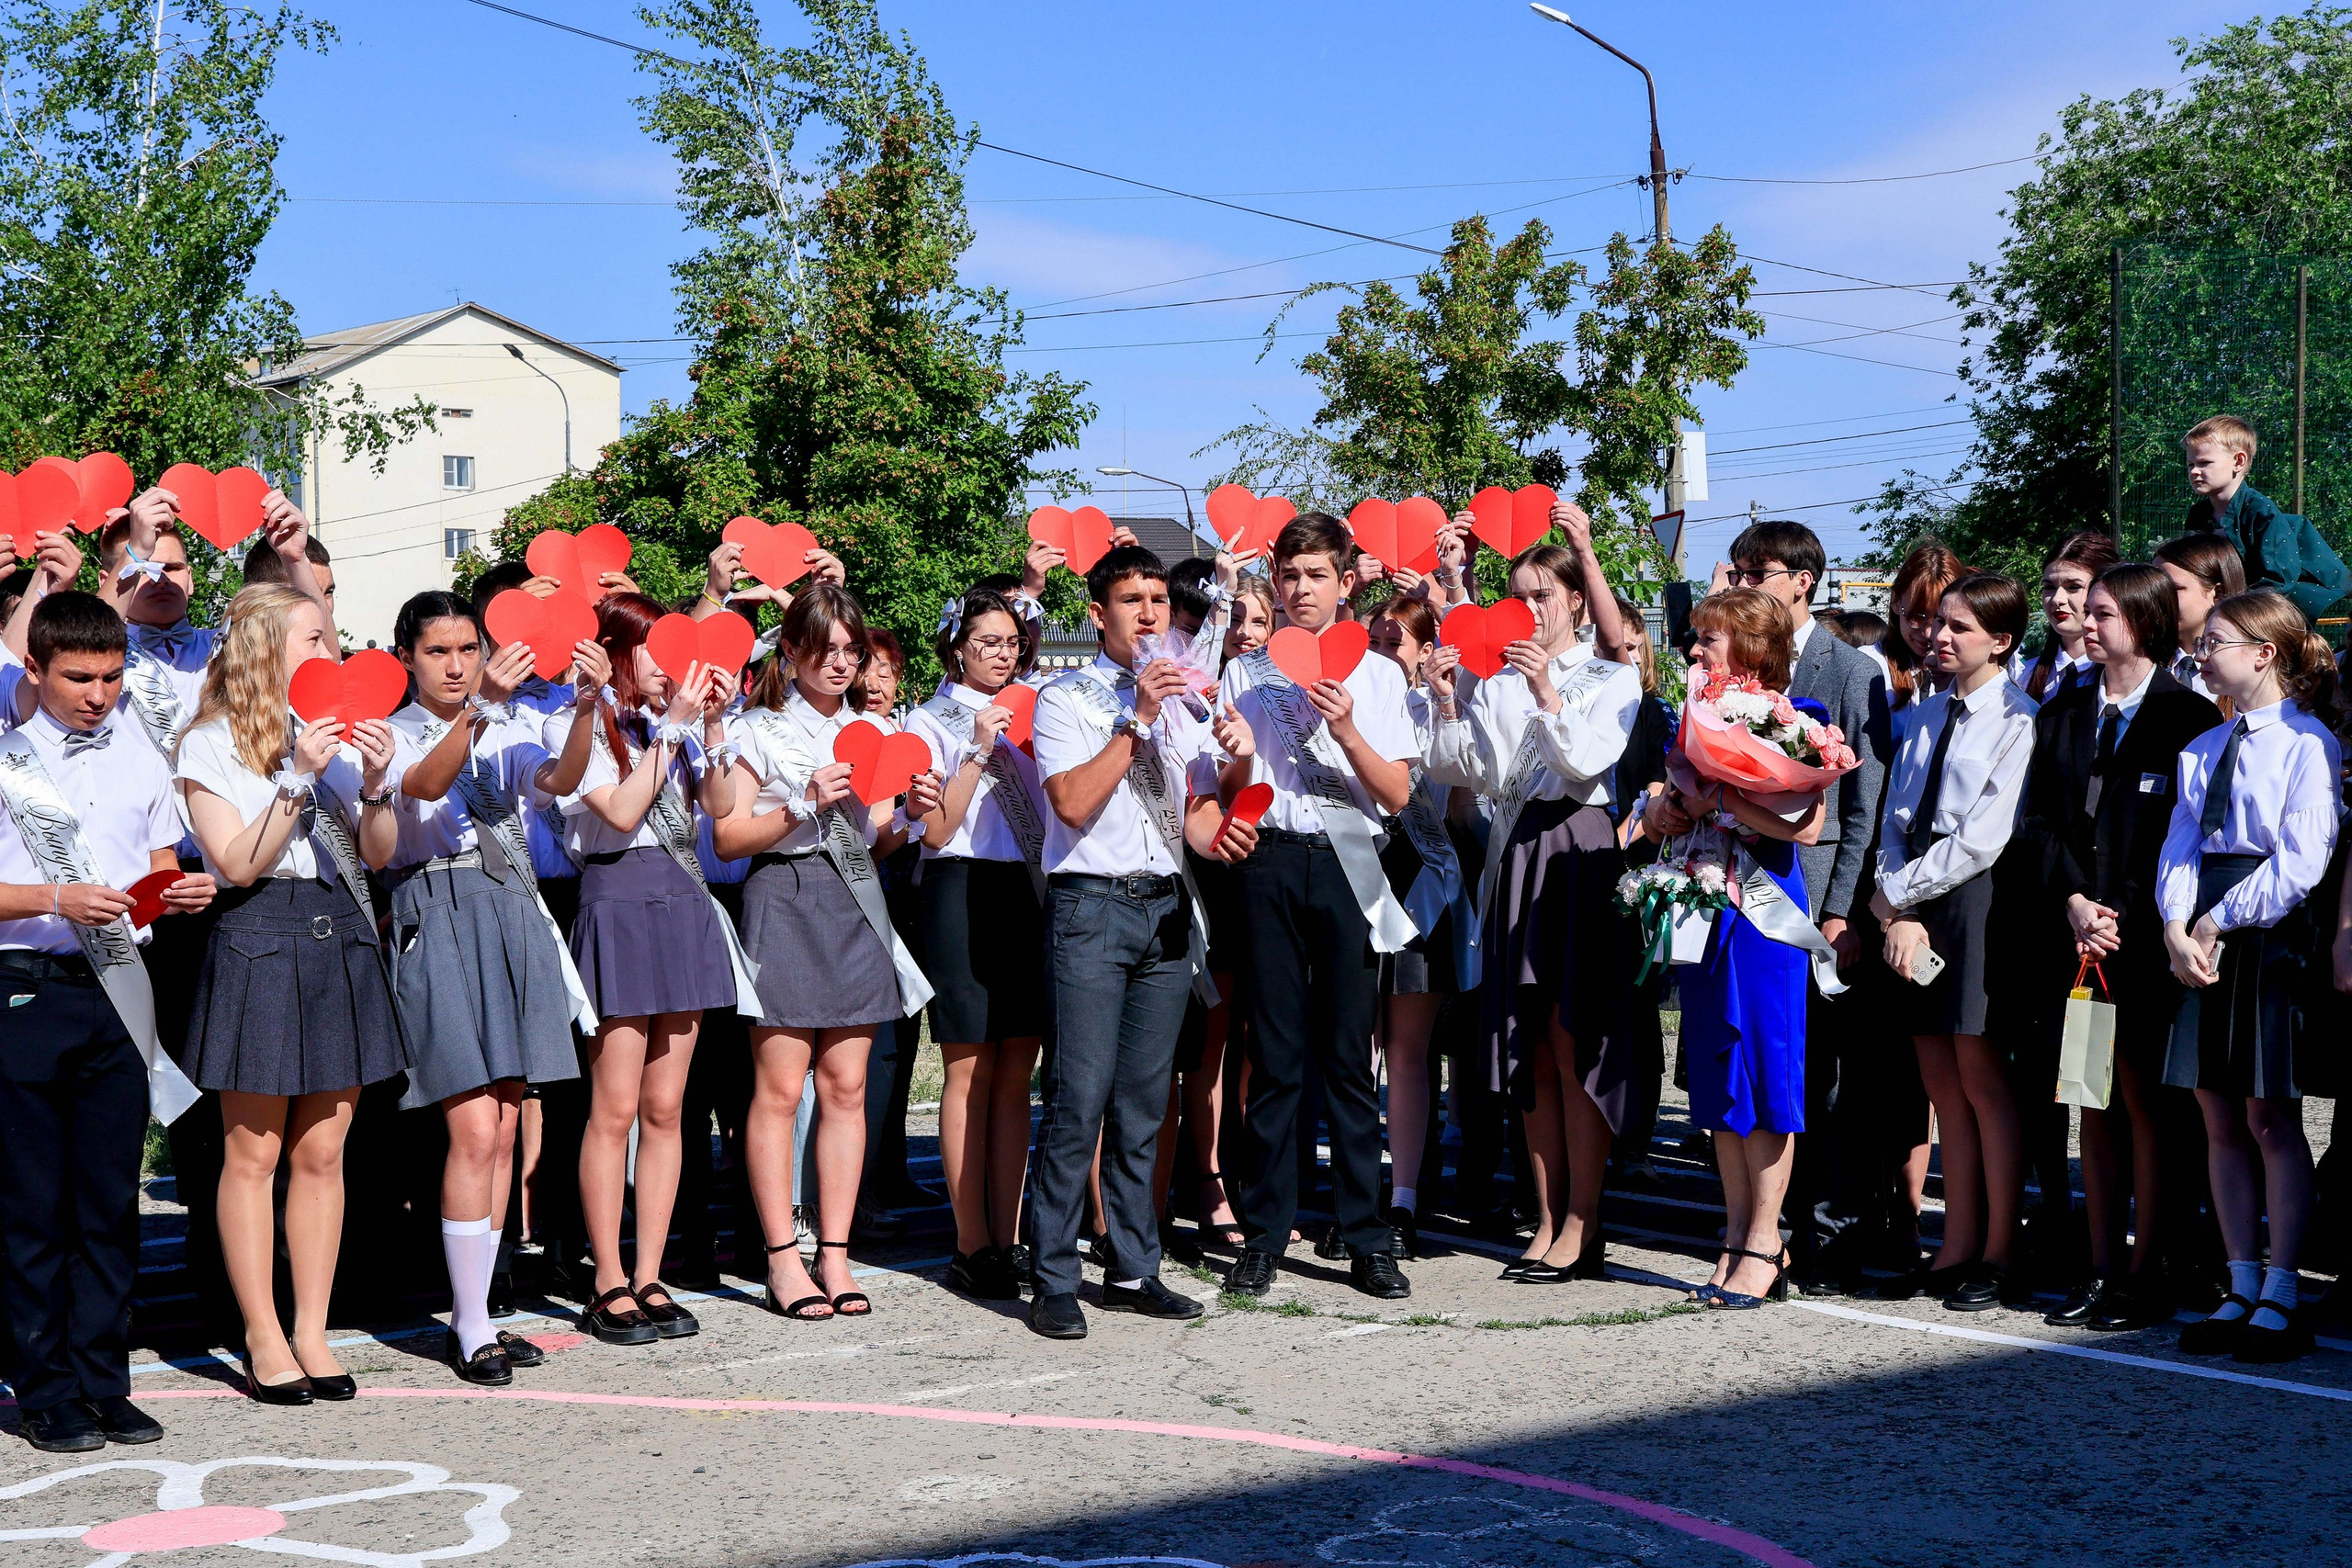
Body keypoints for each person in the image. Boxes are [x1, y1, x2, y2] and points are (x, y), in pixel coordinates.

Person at [173, 584, 405, 1402]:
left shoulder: (336, 740)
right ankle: (263, 1333)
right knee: (254, 1153)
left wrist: (375, 781)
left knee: (323, 1150)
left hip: (337, 931)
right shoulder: (209, 742)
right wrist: (297, 779)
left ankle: (312, 1328)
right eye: (315, 637)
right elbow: (235, 864)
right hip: (258, 938)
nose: (331, 653)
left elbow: (377, 854)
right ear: (268, 646)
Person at [0, 592, 214, 1452]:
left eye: (113, 676)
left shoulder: (140, 754)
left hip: (124, 983)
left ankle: (104, 1380)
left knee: (107, 1197)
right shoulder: (9, 762)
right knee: (31, 1202)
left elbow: (160, 861)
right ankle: (44, 1386)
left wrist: (182, 887)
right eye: (80, 677)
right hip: (28, 983)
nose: (98, 693)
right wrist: (55, 896)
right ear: (37, 671)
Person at [1026, 544, 1257, 1339]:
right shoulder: (1067, 697)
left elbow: (1190, 816)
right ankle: (1052, 1271)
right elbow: (1069, 803)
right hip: (1090, 907)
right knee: (1078, 1098)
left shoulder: (1185, 699)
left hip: (1163, 908)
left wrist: (1232, 795)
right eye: (1134, 600)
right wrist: (1140, 721)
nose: (1152, 613)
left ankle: (1133, 1266)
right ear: (1100, 614)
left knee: (1144, 1103)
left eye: (1159, 599)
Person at [384, 591, 611, 1383]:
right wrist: (478, 710)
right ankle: (469, 1322)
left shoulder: (505, 722)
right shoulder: (400, 730)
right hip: (438, 910)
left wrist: (585, 707)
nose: (455, 664)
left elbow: (559, 776)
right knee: (475, 1131)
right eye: (439, 650)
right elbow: (419, 788)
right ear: (407, 656)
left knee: (510, 1127)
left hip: (511, 912)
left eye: (468, 649)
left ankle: (483, 1309)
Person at [1218, 513, 1436, 1302]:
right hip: (1271, 862)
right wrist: (1237, 760)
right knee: (1273, 1058)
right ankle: (1265, 1232)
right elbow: (1232, 787)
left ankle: (1366, 1236)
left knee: (1349, 1057)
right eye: (1288, 576)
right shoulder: (1246, 672)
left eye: (1315, 576)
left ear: (1347, 582)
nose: (1299, 589)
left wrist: (1346, 729)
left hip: (1350, 863)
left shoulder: (1378, 675)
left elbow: (1400, 792)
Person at [1425, 513, 1640, 1285]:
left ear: (1578, 602)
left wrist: (1546, 687)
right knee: (1530, 1049)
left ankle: (1586, 1220)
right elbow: (1472, 771)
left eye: (1543, 594)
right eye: (1518, 595)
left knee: (1572, 1040)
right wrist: (1450, 701)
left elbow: (1585, 764)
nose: (1530, 609)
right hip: (1516, 852)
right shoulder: (1500, 676)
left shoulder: (1612, 676)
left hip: (1578, 851)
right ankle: (1546, 1216)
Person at [716, 583, 935, 1322]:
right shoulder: (759, 729)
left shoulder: (873, 730)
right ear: (791, 651)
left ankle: (835, 1253)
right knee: (779, 1092)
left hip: (853, 902)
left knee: (847, 1085)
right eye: (826, 648)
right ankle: (782, 1257)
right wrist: (802, 803)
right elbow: (728, 837)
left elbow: (874, 837)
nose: (841, 663)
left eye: (852, 649)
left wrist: (909, 811)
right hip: (783, 896)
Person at [2011, 564, 2221, 1331]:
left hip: (2144, 944)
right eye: (2086, 611)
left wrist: (2121, 914)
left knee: (2146, 1107)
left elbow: (2181, 839)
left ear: (2146, 620)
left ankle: (2149, 1269)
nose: (2085, 621)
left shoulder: (2189, 718)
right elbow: (2037, 824)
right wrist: (2073, 902)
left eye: (2104, 611)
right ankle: (2102, 1270)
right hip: (2075, 942)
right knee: (2089, 1100)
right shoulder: (2061, 711)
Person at [544, 592, 755, 1346]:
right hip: (617, 900)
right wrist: (670, 734)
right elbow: (623, 812)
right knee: (616, 1107)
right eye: (656, 650)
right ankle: (605, 1277)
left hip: (682, 902)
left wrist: (714, 726)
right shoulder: (581, 725)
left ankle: (651, 1269)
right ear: (623, 651)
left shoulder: (674, 727)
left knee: (670, 1108)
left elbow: (723, 807)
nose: (672, 666)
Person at [2161, 589, 2342, 1363]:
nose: (2201, 655)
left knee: (2271, 1118)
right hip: (2201, 932)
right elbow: (2178, 847)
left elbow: (2304, 858)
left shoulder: (2308, 744)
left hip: (2264, 935)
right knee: (2219, 1117)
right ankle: (2238, 1282)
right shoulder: (2200, 748)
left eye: (2215, 642)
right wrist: (2175, 924)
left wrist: (2218, 919)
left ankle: (2282, 1288)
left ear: (2264, 653)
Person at [1715, 519, 1891, 1293]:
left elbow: (1862, 804)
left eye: (1762, 573)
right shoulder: (1738, 669)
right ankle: (1762, 1233)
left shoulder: (1850, 671)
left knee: (1815, 1077)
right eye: (1741, 572)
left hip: (1810, 904)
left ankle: (1825, 1233)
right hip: (1735, 893)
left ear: (1804, 580)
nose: (1748, 583)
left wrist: (1841, 910)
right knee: (1752, 1068)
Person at [1650, 588, 1832, 1308]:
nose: (1694, 653)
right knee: (1722, 1084)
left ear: (1753, 649)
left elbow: (1807, 826)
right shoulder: (1696, 720)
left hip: (1763, 918)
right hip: (1708, 911)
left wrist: (1721, 803)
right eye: (1695, 641)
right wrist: (1670, 804)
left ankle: (1766, 1240)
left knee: (1767, 1080)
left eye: (1708, 641)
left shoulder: (1799, 720)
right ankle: (1732, 1238)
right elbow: (1676, 799)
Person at [1871, 573, 2038, 1311]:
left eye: (1959, 628)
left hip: (1972, 898)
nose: (1939, 637)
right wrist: (1894, 903)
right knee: (1939, 1080)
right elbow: (1895, 817)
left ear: (2000, 640)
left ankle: (2001, 1247)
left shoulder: (2018, 719)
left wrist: (1902, 894)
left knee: (1981, 1080)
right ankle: (1957, 1241)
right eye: (1938, 624)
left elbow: (1982, 837)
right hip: (1911, 895)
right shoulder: (1924, 712)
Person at [909, 587, 1050, 1300]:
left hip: (1024, 890)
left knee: (1015, 1069)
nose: (1002, 652)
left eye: (1010, 641)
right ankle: (971, 1242)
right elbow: (934, 830)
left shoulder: (1039, 707)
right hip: (958, 888)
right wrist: (975, 751)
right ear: (957, 644)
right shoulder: (928, 719)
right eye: (987, 640)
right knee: (967, 1067)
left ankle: (1012, 1232)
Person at [1158, 575, 1279, 1256]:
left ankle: (1249, 1177)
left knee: (1254, 1041)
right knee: (1204, 1040)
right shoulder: (1188, 691)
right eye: (1231, 616)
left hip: (1256, 869)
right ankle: (1202, 1182)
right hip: (1196, 863)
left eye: (1257, 619)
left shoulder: (1279, 694)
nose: (1243, 630)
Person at [1362, 593, 1476, 1257]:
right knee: (1356, 1043)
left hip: (1417, 884)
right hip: (1354, 870)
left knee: (1407, 1050)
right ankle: (1356, 1186)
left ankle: (1403, 1197)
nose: (1382, 649)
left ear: (1427, 649)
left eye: (1396, 640)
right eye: (1374, 638)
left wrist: (1442, 700)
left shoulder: (1434, 707)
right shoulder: (1345, 699)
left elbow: (1453, 786)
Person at [2180, 415, 2350, 621]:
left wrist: (2232, 608)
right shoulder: (2198, 515)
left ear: (2238, 461)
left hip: (2265, 613)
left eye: (2204, 463)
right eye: (2190, 464)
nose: (2194, 472)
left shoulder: (2261, 512)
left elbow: (2277, 580)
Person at [2154, 533, 2247, 698]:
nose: (2156, 599)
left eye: (2173, 589)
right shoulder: (2143, 663)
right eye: (2151, 590)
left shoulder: (2251, 670)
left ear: (2219, 594)